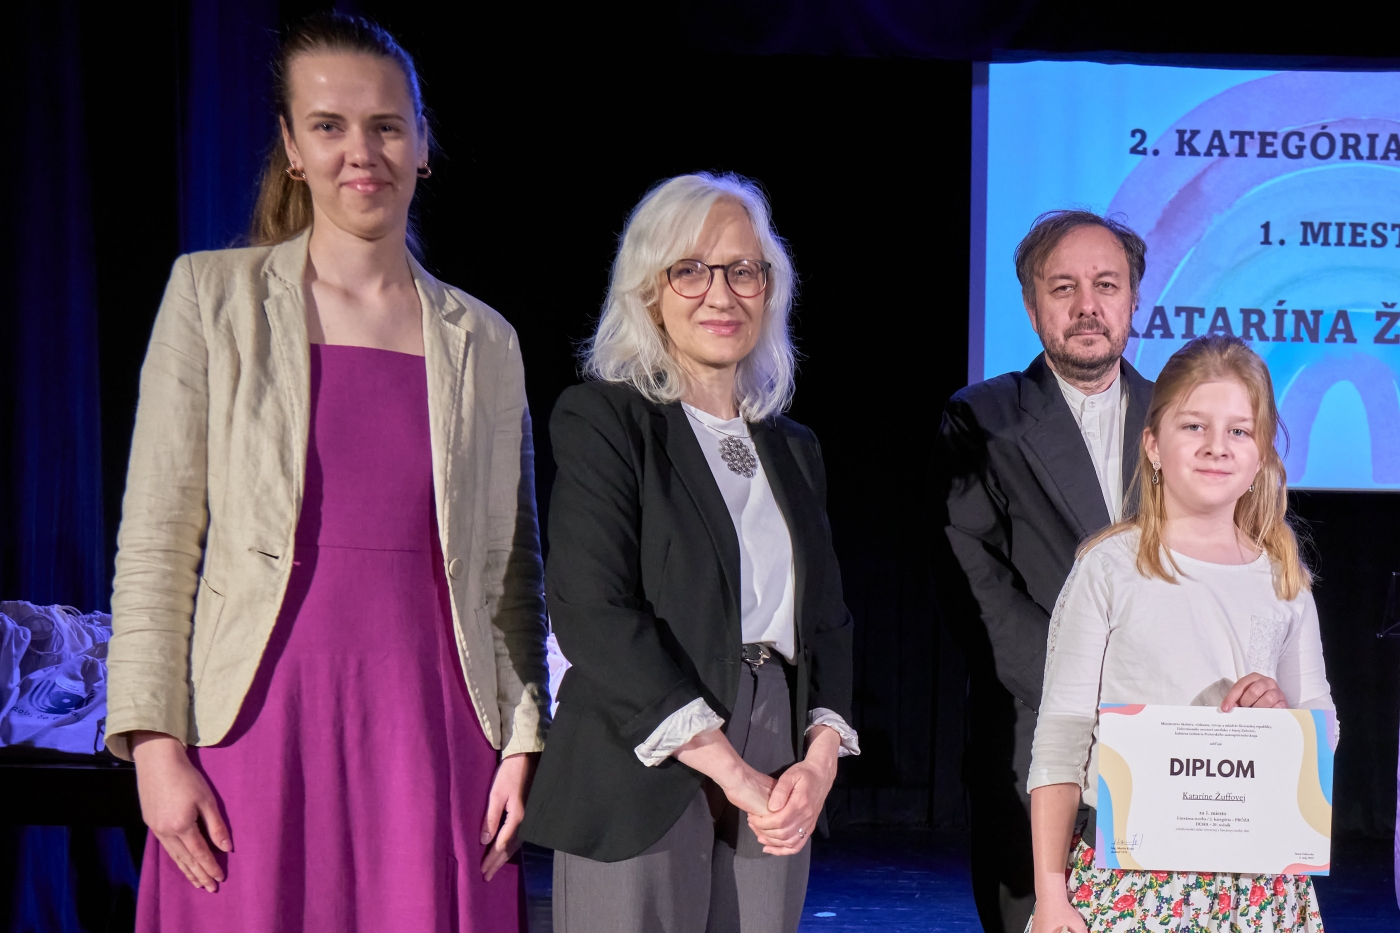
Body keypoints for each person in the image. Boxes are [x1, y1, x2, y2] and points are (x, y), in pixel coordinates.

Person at [104, 14, 548, 932]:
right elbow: (156, 543)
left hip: (435, 734)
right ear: (292, 147)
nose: (362, 152)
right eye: (329, 125)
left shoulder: (487, 340)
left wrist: (523, 742)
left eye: (386, 125)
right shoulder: (210, 298)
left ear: (422, 144)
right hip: (254, 731)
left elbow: (513, 574)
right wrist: (152, 743)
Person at [520, 173, 859, 933]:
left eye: (743, 271)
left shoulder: (794, 447)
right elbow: (592, 611)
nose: (721, 294)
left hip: (775, 746)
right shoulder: (606, 419)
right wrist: (726, 767)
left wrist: (819, 760)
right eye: (690, 270)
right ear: (649, 291)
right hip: (641, 747)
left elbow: (828, 622)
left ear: (769, 291)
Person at [1026, 334, 1332, 932]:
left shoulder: (1283, 578)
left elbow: (1321, 725)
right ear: (1153, 445)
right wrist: (1050, 892)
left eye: (1239, 430)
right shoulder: (1109, 568)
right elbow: (1061, 740)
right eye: (1194, 426)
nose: (1217, 446)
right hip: (1132, 881)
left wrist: (1283, 719)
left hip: (1258, 886)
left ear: (1262, 455)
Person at [934, 210, 1155, 933]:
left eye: (1106, 285)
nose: (1088, 305)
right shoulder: (983, 418)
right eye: (1063, 288)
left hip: (1166, 737)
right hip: (1033, 731)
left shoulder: (1180, 417)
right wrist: (1084, 689)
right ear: (1032, 308)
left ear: (1133, 299)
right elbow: (975, 584)